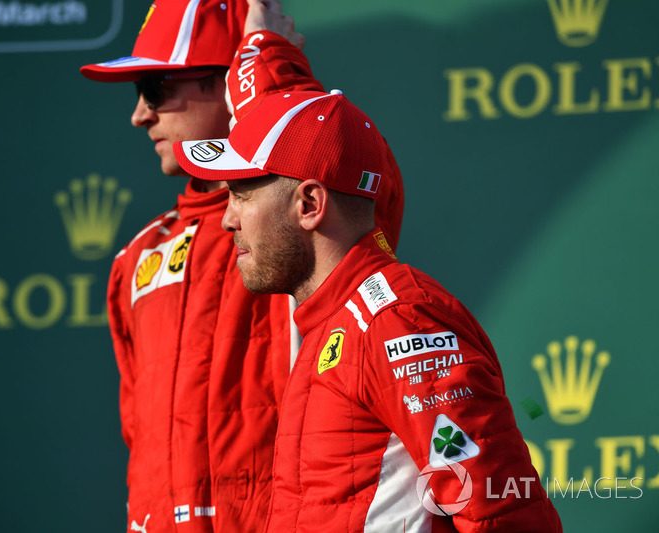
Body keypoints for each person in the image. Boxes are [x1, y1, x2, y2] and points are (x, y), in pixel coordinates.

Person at [173, 90, 563, 531]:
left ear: (309, 206)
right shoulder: (333, 323)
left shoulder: (396, 320)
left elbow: (502, 512)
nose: (227, 219)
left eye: (241, 195)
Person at [78, 0, 335, 531]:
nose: (140, 114)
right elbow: (139, 439)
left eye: (155, 89)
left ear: (225, 82)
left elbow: (326, 164)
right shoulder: (137, 256)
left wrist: (269, 62)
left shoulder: (303, 211)